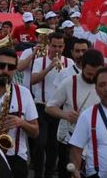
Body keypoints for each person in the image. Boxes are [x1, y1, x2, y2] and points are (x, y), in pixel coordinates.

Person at [0, 48, 39, 176]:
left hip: (16, 159)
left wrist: (22, 123)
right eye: (1, 65)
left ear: (15, 69)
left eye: (10, 67)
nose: (5, 70)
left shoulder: (24, 94)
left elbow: (36, 132)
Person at [46, 49, 103, 178]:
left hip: (96, 142)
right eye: (89, 73)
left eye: (96, 74)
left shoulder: (104, 84)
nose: (92, 78)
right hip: (70, 141)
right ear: (82, 66)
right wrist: (66, 115)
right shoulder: (69, 82)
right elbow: (49, 107)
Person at [30, 32, 69, 178]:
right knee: (40, 143)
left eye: (60, 46)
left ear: (64, 47)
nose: (57, 50)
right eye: (54, 46)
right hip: (41, 106)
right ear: (49, 46)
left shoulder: (69, 63)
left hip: (59, 109)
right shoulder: (40, 61)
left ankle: (49, 174)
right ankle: (38, 174)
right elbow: (33, 80)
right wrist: (49, 67)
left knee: (54, 146)